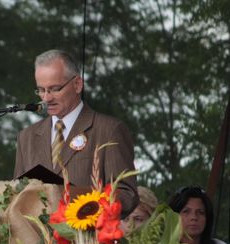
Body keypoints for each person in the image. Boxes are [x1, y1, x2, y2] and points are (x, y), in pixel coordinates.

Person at [13, 49, 139, 216]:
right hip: (36, 240)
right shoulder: (27, 137)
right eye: (41, 90)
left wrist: (76, 199)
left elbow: (127, 195)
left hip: (86, 238)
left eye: (54, 89)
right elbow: (16, 196)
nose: (46, 98)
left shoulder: (108, 130)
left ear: (77, 84)